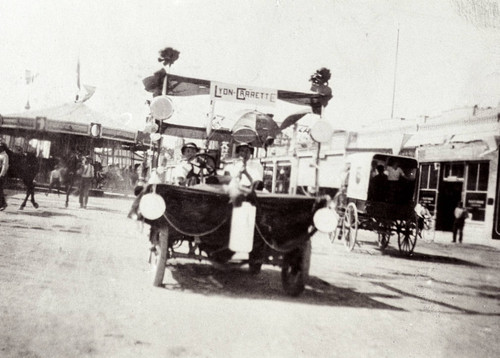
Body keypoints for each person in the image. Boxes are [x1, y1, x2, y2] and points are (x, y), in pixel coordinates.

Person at [0, 142, 9, 211]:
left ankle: (3, 204)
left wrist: (1, 175)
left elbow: (4, 166)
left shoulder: (5, 156)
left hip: (1, 174)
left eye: (1, 146)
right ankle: (3, 203)